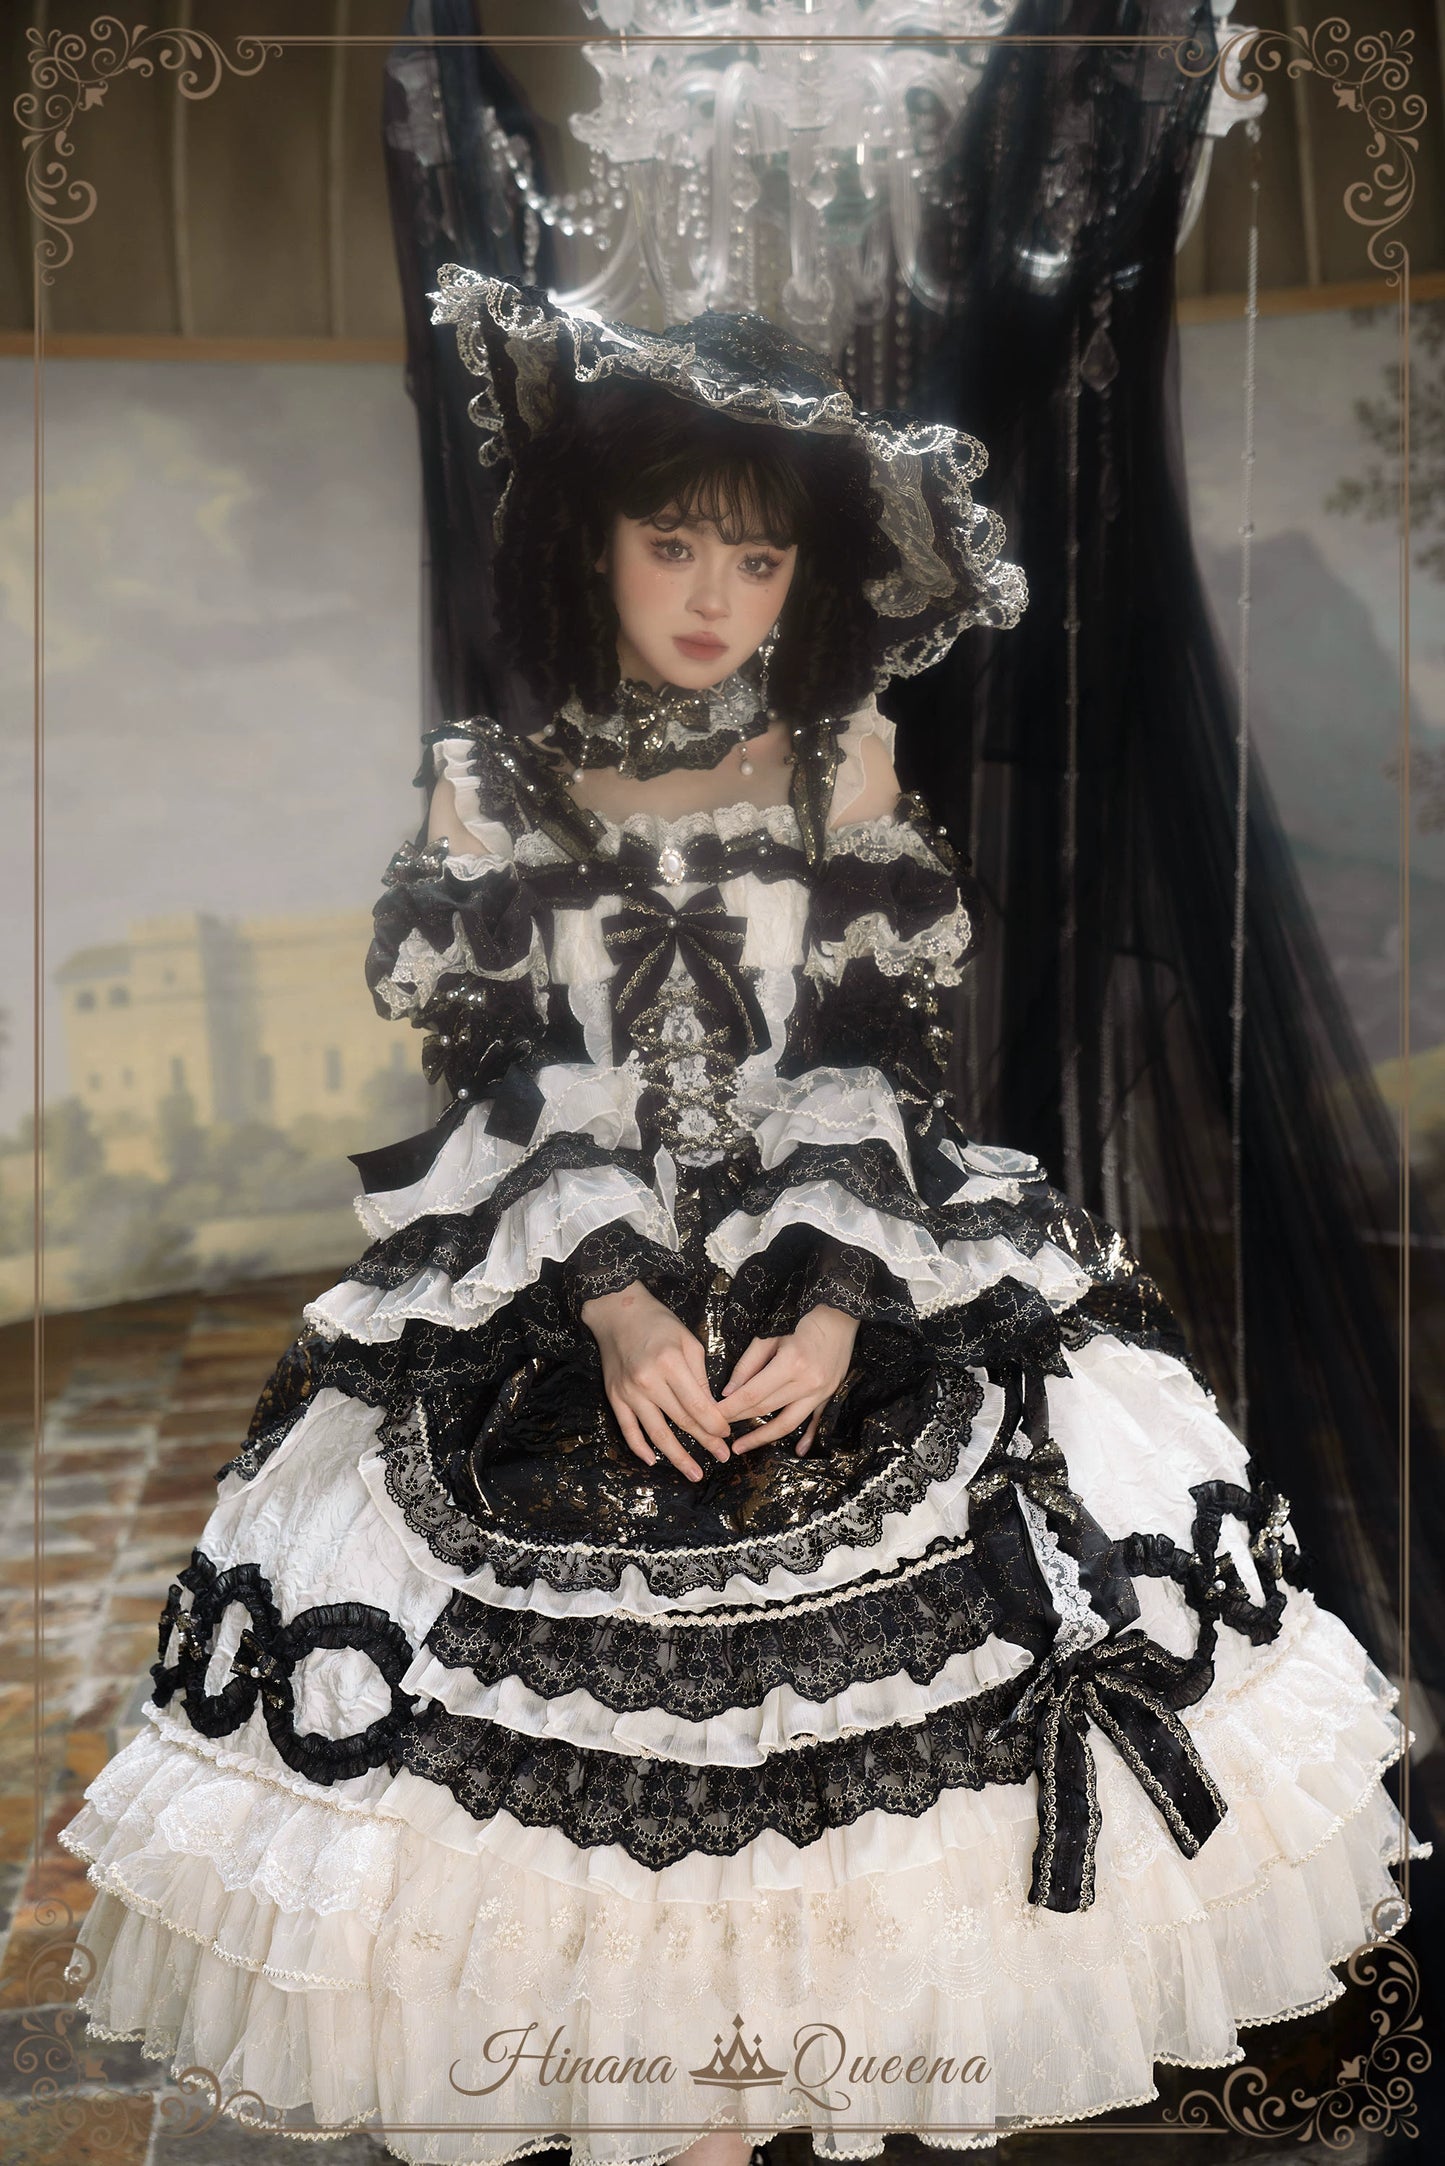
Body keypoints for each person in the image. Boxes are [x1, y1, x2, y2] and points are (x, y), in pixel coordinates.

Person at [60, 271, 1421, 2165]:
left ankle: (787, 2089)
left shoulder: (844, 758)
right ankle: (675, 2115)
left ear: (806, 579)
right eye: (674, 543)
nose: (714, 594)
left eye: (758, 559)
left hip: (835, 1242)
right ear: (590, 541)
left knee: (901, 1707)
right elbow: (507, 1073)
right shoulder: (491, 785)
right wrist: (621, 1306)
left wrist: (842, 1299)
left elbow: (869, 1056)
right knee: (550, 1751)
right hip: (562, 1271)